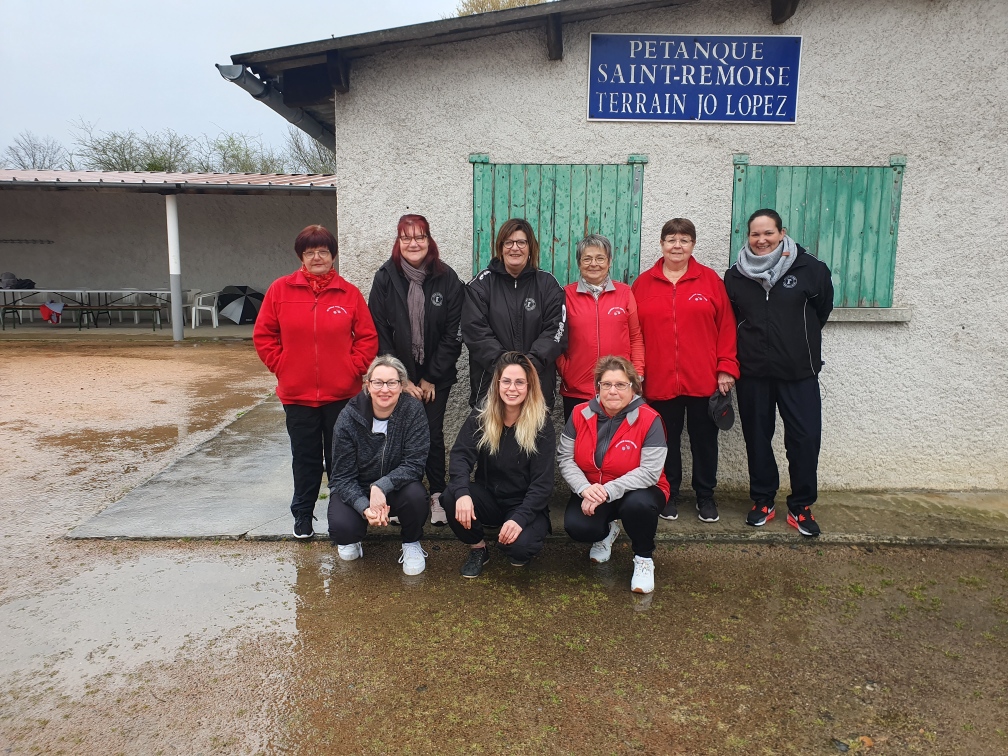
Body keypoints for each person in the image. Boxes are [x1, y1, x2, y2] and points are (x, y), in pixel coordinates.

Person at [253, 224, 378, 539]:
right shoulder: (280, 290)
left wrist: (353, 368)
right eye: (310, 252)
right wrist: (282, 366)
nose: (317, 257)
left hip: (342, 396)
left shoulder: (348, 293)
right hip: (297, 396)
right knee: (305, 458)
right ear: (301, 257)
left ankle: (343, 517)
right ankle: (303, 515)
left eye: (323, 251)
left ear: (333, 256)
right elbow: (264, 335)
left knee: (342, 461)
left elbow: (367, 337)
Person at [724, 209, 834, 537]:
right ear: (747, 236)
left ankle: (801, 505)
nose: (761, 240)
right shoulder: (735, 276)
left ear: (782, 232)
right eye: (755, 234)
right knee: (757, 439)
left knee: (804, 439)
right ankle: (763, 500)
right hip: (754, 373)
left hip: (799, 372)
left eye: (768, 233)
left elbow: (822, 310)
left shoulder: (811, 269)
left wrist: (797, 345)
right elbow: (731, 322)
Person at [631, 218, 739, 524]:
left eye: (684, 240)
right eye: (671, 239)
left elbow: (727, 328)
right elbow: (634, 332)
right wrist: (636, 373)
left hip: (704, 379)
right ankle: (669, 493)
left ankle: (706, 496)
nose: (677, 245)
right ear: (662, 244)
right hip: (660, 380)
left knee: (705, 441)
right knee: (665, 440)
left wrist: (726, 367)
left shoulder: (710, 281)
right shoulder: (643, 284)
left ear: (693, 244)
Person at [368, 214, 464, 527]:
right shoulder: (385, 277)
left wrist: (430, 377)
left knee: (433, 435)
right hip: (396, 378)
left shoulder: (446, 277)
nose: (413, 243)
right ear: (398, 242)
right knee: (398, 436)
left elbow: (454, 332)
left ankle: (437, 494)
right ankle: (399, 496)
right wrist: (401, 379)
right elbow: (379, 330)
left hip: (436, 378)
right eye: (406, 237)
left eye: (420, 237)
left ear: (429, 240)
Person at [558, 356, 669, 594]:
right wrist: (583, 488)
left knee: (638, 505)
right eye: (606, 384)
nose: (613, 390)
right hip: (592, 489)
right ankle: (608, 532)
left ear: (633, 387)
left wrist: (607, 491)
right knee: (578, 527)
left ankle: (643, 558)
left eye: (621, 384)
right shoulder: (579, 413)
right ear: (597, 387)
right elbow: (565, 458)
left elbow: (650, 472)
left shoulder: (650, 419)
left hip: (638, 491)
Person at [441, 351, 555, 577]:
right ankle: (478, 548)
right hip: (489, 498)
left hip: (524, 503)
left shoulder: (542, 424)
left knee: (519, 550)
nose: (512, 388)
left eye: (520, 382)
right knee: (450, 497)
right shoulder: (482, 414)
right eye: (507, 381)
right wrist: (463, 493)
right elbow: (461, 455)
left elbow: (543, 484)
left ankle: (512, 535)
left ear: (530, 385)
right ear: (498, 383)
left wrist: (520, 518)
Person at [327, 355, 432, 574]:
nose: (385, 389)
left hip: (395, 486)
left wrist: (381, 486)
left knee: (416, 496)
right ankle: (355, 536)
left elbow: (414, 464)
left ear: (401, 385)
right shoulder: (349, 416)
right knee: (343, 529)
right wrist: (365, 507)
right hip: (357, 486)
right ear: (368, 385)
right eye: (378, 382)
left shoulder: (412, 411)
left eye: (392, 383)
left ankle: (411, 542)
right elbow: (341, 476)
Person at [462, 218, 567, 408]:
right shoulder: (480, 285)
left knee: (534, 437)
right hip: (491, 386)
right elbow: (475, 332)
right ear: (500, 247)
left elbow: (556, 331)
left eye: (521, 242)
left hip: (537, 384)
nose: (515, 248)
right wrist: (507, 370)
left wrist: (527, 368)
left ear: (530, 247)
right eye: (508, 242)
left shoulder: (548, 284)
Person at [556, 234, 645, 421]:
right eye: (587, 258)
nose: (593, 264)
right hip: (577, 391)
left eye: (600, 258)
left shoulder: (625, 293)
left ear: (609, 261)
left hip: (618, 389)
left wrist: (637, 374)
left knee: (618, 447)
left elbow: (635, 337)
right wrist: (567, 372)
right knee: (581, 446)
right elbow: (556, 339)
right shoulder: (565, 295)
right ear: (579, 263)